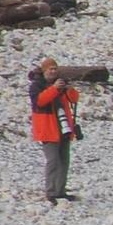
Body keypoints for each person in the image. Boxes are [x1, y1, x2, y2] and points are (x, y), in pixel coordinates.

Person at [27, 57, 82, 202]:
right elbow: (40, 101)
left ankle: (60, 190)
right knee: (53, 160)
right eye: (50, 69)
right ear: (44, 71)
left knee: (64, 160)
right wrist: (54, 89)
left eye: (55, 69)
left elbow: (74, 99)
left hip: (64, 128)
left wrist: (69, 89)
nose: (53, 71)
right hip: (47, 129)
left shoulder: (61, 83)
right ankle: (51, 191)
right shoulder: (37, 85)